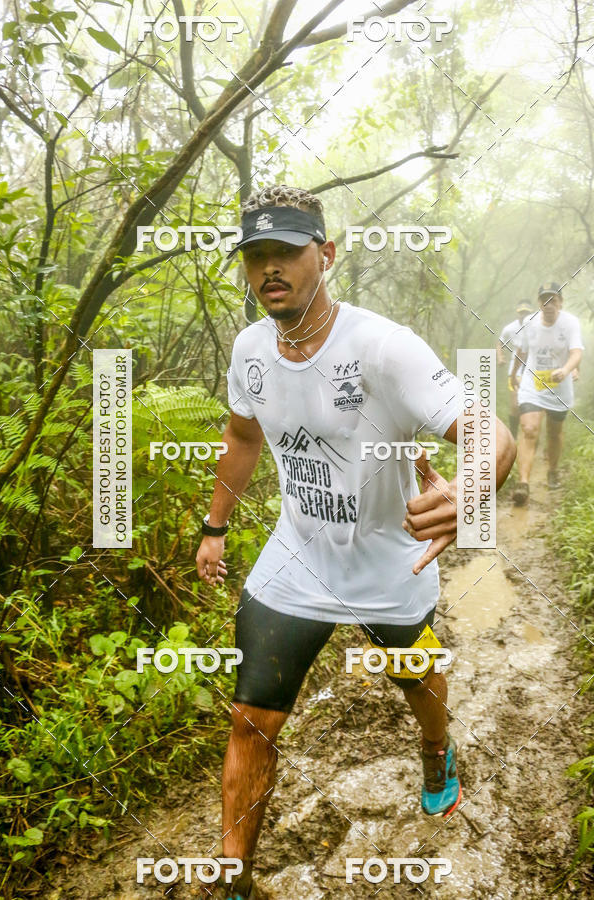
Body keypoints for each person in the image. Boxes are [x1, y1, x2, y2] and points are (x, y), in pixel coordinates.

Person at [195, 185, 516, 899]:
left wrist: (467, 493)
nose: (269, 269)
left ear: (326, 256)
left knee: (418, 678)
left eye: (286, 252)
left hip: (389, 557)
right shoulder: (251, 349)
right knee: (252, 717)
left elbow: (489, 431)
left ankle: (437, 751)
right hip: (297, 555)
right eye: (256, 256)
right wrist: (215, 528)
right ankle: (233, 882)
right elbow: (243, 439)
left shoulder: (382, 346)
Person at [511, 282, 583, 505]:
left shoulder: (570, 323)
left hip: (559, 384)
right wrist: (513, 374)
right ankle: (523, 483)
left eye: (553, 300)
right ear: (539, 303)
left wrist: (567, 369)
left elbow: (576, 352)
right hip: (533, 382)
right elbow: (522, 351)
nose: (549, 304)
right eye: (544, 300)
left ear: (560, 303)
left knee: (554, 432)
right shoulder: (529, 323)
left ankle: (552, 470)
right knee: (529, 428)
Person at [497, 302, 532, 438]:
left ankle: (529, 434)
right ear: (518, 313)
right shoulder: (510, 328)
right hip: (515, 368)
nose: (524, 315)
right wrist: (500, 357)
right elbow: (500, 343)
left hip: (534, 368)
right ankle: (513, 435)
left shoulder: (537, 326)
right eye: (522, 312)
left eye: (527, 313)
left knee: (531, 404)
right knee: (515, 404)